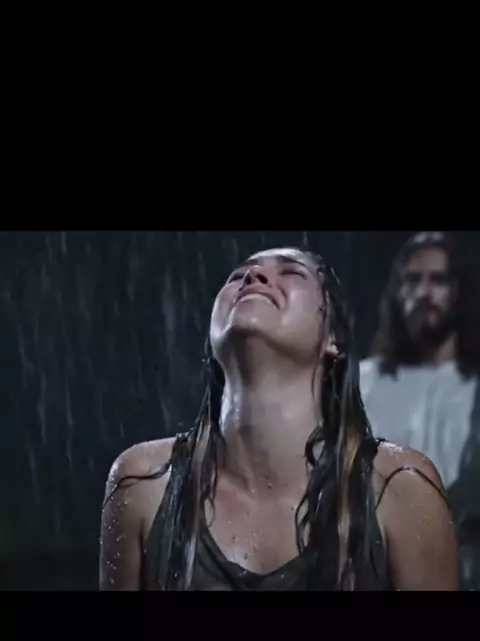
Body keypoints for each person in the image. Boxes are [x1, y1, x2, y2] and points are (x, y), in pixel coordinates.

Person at [100, 247, 459, 591]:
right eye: (238, 276)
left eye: (291, 272)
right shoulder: (145, 483)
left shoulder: (399, 489)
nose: (253, 277)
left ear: (333, 338)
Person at [360, 232, 480, 590]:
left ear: (459, 291)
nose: (424, 292)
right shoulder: (362, 382)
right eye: (413, 280)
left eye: (438, 280)